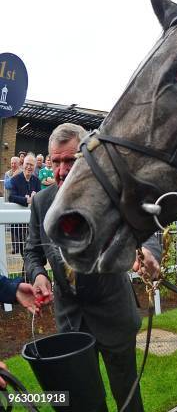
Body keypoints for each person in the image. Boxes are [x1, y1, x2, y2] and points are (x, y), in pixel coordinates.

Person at [24, 123, 161, 412]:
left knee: (127, 397)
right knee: (84, 401)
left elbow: (148, 229)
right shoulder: (41, 201)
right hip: (70, 321)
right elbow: (32, 252)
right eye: (55, 161)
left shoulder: (112, 192)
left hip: (113, 313)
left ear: (87, 157)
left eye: (69, 160)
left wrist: (147, 252)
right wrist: (37, 275)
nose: (61, 170)